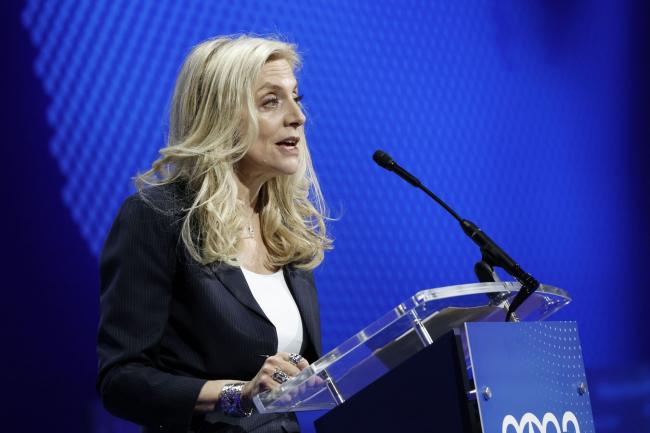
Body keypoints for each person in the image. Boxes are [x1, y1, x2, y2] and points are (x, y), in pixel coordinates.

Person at [97, 35, 331, 433]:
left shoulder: (284, 230)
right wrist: (236, 394)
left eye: (296, 97)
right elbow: (120, 379)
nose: (298, 116)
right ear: (221, 115)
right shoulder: (157, 216)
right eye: (271, 101)